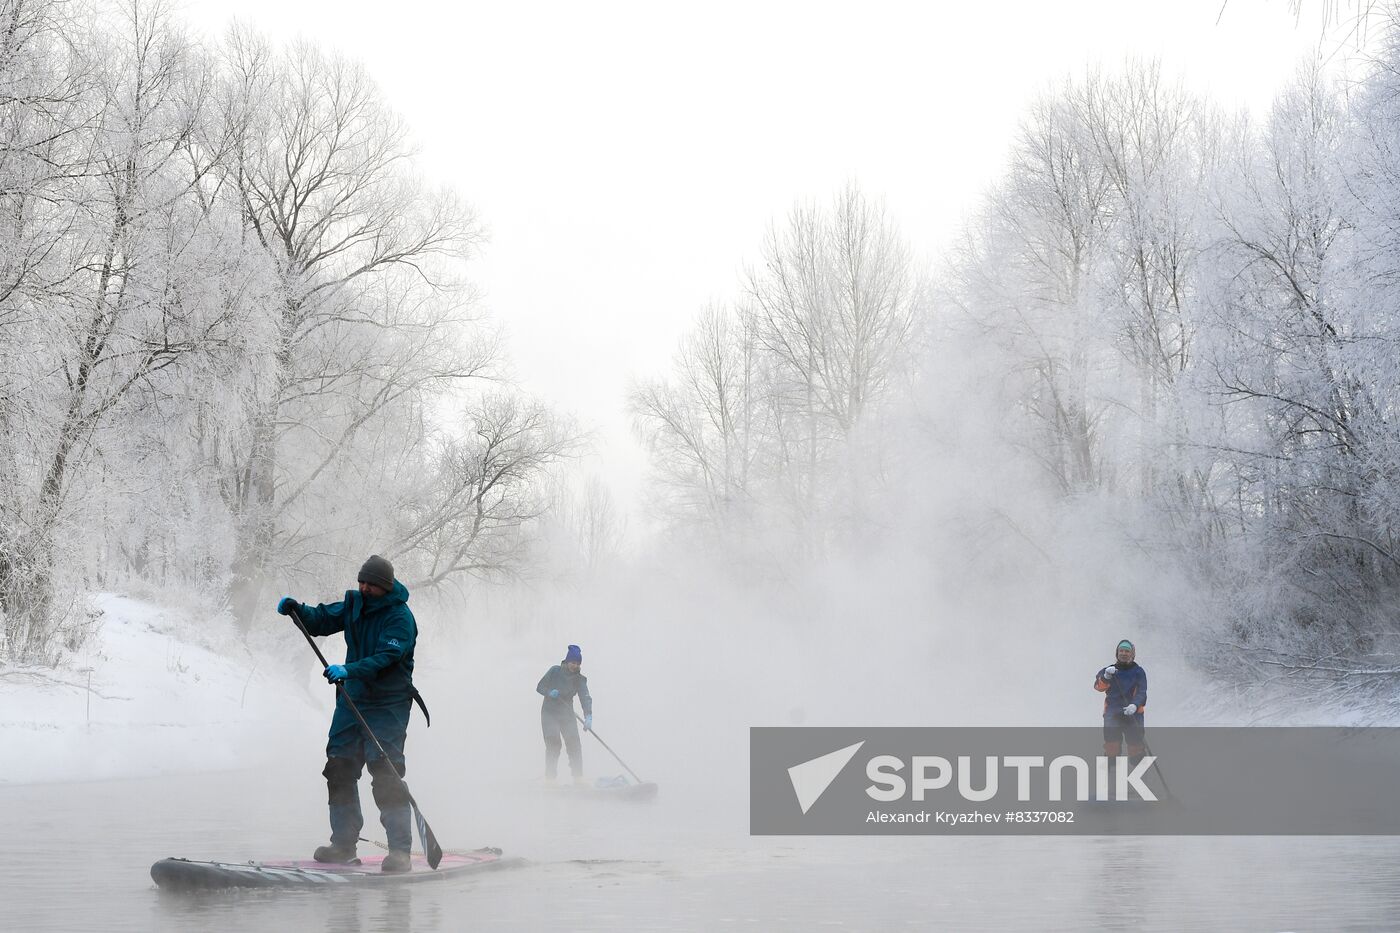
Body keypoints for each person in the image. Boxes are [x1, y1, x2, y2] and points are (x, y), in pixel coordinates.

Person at [277, 554, 422, 873]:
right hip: (351, 699)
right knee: (339, 767)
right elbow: (322, 620)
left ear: (385, 587)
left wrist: (349, 669)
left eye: (371, 584)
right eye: (362, 581)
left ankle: (400, 850)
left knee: (385, 772)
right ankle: (343, 845)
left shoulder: (400, 618)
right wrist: (297, 610)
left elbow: (387, 657)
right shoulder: (354, 604)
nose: (364, 588)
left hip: (388, 704)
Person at [536, 644, 593, 784]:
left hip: (567, 713)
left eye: (578, 663)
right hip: (549, 712)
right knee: (554, 743)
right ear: (567, 662)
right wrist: (550, 692)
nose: (575, 665)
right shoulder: (555, 671)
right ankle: (550, 779)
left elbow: (585, 697)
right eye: (573, 662)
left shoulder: (579, 679)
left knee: (574, 743)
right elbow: (540, 687)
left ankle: (578, 777)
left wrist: (588, 715)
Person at [1094, 638, 1147, 766]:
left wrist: (1134, 705)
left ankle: (1139, 772)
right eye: (1121, 651)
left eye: (1127, 651)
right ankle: (1112, 772)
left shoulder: (1138, 672)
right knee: (1111, 746)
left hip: (1133, 715)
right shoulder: (1109, 671)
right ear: (1117, 653)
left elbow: (1142, 692)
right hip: (1113, 714)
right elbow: (1098, 687)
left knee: (1136, 745)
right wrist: (1106, 677)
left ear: (1132, 654)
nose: (1123, 653)